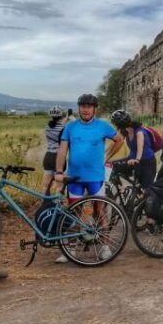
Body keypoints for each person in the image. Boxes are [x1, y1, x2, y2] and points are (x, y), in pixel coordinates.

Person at [54, 94, 123, 263]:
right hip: (74, 177)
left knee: (100, 212)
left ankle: (105, 247)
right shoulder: (71, 127)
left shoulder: (102, 126)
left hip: (95, 177)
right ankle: (70, 250)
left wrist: (107, 157)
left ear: (94, 109)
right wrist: (58, 171)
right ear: (79, 108)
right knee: (73, 214)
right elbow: (62, 150)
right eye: (83, 106)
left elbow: (119, 140)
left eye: (89, 106)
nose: (86, 109)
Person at [109, 110, 158, 191]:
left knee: (146, 189)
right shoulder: (124, 131)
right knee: (113, 166)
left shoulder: (139, 132)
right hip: (132, 159)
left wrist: (137, 160)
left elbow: (140, 148)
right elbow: (115, 144)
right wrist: (105, 156)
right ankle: (122, 189)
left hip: (146, 161)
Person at [42, 106, 66, 194]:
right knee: (59, 185)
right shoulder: (64, 128)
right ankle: (57, 205)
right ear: (61, 115)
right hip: (59, 157)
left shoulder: (47, 127)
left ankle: (45, 203)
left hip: (48, 156)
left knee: (46, 184)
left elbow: (56, 125)